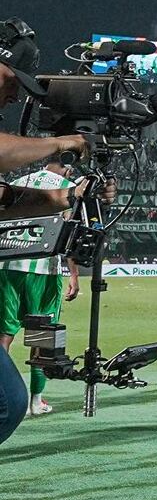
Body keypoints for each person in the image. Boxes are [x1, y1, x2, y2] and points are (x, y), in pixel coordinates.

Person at [0, 26, 111, 445]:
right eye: (13, 82)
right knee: (35, 342)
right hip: (35, 268)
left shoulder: (29, 169)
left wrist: (69, 196)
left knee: (8, 394)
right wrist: (61, 141)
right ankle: (36, 398)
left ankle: (34, 397)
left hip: (18, 266)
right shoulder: (27, 149)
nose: (16, 98)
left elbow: (3, 197)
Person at [0, 162, 80, 417]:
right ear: (67, 167)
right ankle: (35, 401)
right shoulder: (69, 188)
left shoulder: (21, 182)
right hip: (43, 269)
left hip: (8, 263)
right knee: (42, 336)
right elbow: (69, 236)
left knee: (4, 334)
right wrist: (74, 275)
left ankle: (2, 397)